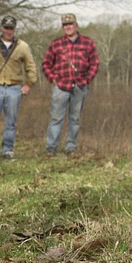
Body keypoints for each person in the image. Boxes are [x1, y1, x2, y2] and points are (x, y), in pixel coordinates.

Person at [0, 15, 37, 161]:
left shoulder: (23, 46)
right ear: (1, 28)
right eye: (6, 28)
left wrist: (29, 84)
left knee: (11, 121)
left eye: (11, 28)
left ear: (15, 29)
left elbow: (31, 66)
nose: (8, 31)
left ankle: (8, 151)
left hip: (14, 88)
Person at [42, 13, 99, 156]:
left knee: (75, 118)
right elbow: (46, 64)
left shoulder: (88, 43)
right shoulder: (56, 44)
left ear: (76, 25)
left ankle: (71, 147)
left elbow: (95, 63)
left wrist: (87, 80)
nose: (68, 27)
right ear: (62, 28)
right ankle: (51, 147)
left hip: (80, 86)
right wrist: (53, 78)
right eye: (65, 25)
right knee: (56, 118)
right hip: (61, 86)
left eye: (70, 24)